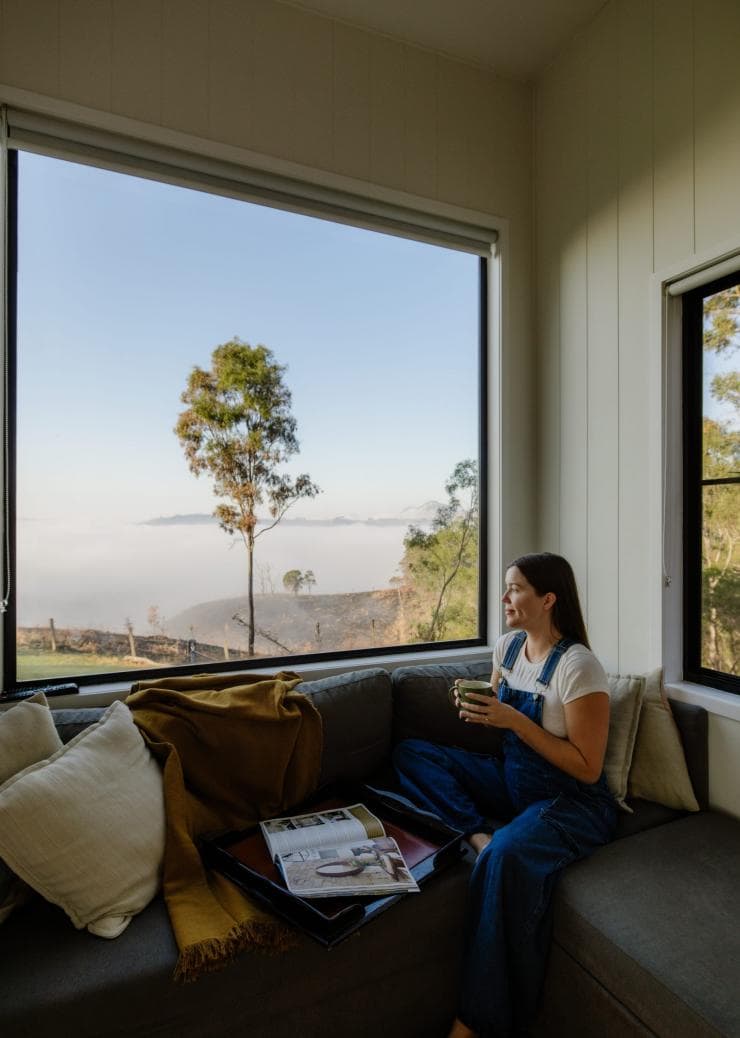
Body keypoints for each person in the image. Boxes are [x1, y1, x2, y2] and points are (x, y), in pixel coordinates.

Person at [393, 552, 618, 1038]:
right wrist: (475, 707)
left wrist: (514, 719)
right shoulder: (509, 648)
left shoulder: (579, 667)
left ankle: (475, 1022)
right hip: (514, 778)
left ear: (548, 599)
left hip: (573, 800)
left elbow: (587, 766)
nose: (504, 598)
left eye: (515, 588)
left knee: (506, 858)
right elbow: (496, 716)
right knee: (412, 753)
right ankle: (476, 833)